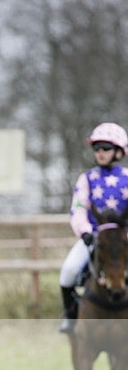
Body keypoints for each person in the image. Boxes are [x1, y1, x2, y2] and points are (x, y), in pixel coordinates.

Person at [59, 122, 128, 333]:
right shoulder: (87, 179)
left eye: (105, 147)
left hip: (123, 239)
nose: (100, 152)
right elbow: (78, 208)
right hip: (95, 237)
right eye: (96, 148)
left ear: (118, 151)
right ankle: (70, 317)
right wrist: (85, 232)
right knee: (68, 271)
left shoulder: (127, 178)